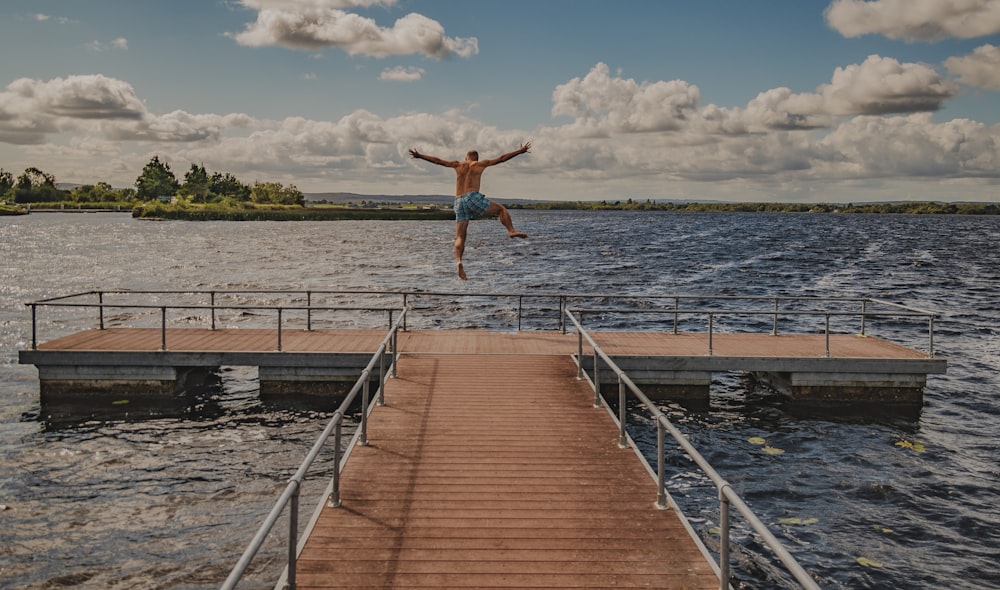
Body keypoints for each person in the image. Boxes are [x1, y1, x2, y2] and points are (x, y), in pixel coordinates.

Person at [409, 142, 531, 280]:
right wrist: (519, 151)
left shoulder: (457, 165)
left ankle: (459, 261)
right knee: (501, 210)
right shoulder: (479, 164)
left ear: (466, 157)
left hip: (458, 201)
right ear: (476, 158)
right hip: (472, 197)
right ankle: (511, 231)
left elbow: (438, 161)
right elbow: (502, 158)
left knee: (460, 237)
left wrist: (420, 156)